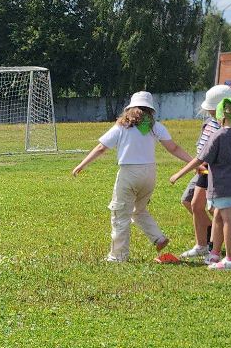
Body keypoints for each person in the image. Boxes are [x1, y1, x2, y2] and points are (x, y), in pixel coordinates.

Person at [69, 91, 196, 263]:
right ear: (150, 109)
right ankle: (158, 237)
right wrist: (194, 162)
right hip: (149, 174)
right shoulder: (155, 127)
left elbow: (101, 148)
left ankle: (118, 256)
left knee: (120, 214)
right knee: (139, 210)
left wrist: (81, 164)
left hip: (129, 173)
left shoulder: (121, 127)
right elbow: (173, 148)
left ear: (130, 108)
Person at [170, 96, 231, 270]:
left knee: (227, 219)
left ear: (221, 117)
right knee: (217, 216)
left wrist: (178, 174)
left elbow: (200, 159)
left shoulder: (218, 136)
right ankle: (215, 254)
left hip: (221, 184)